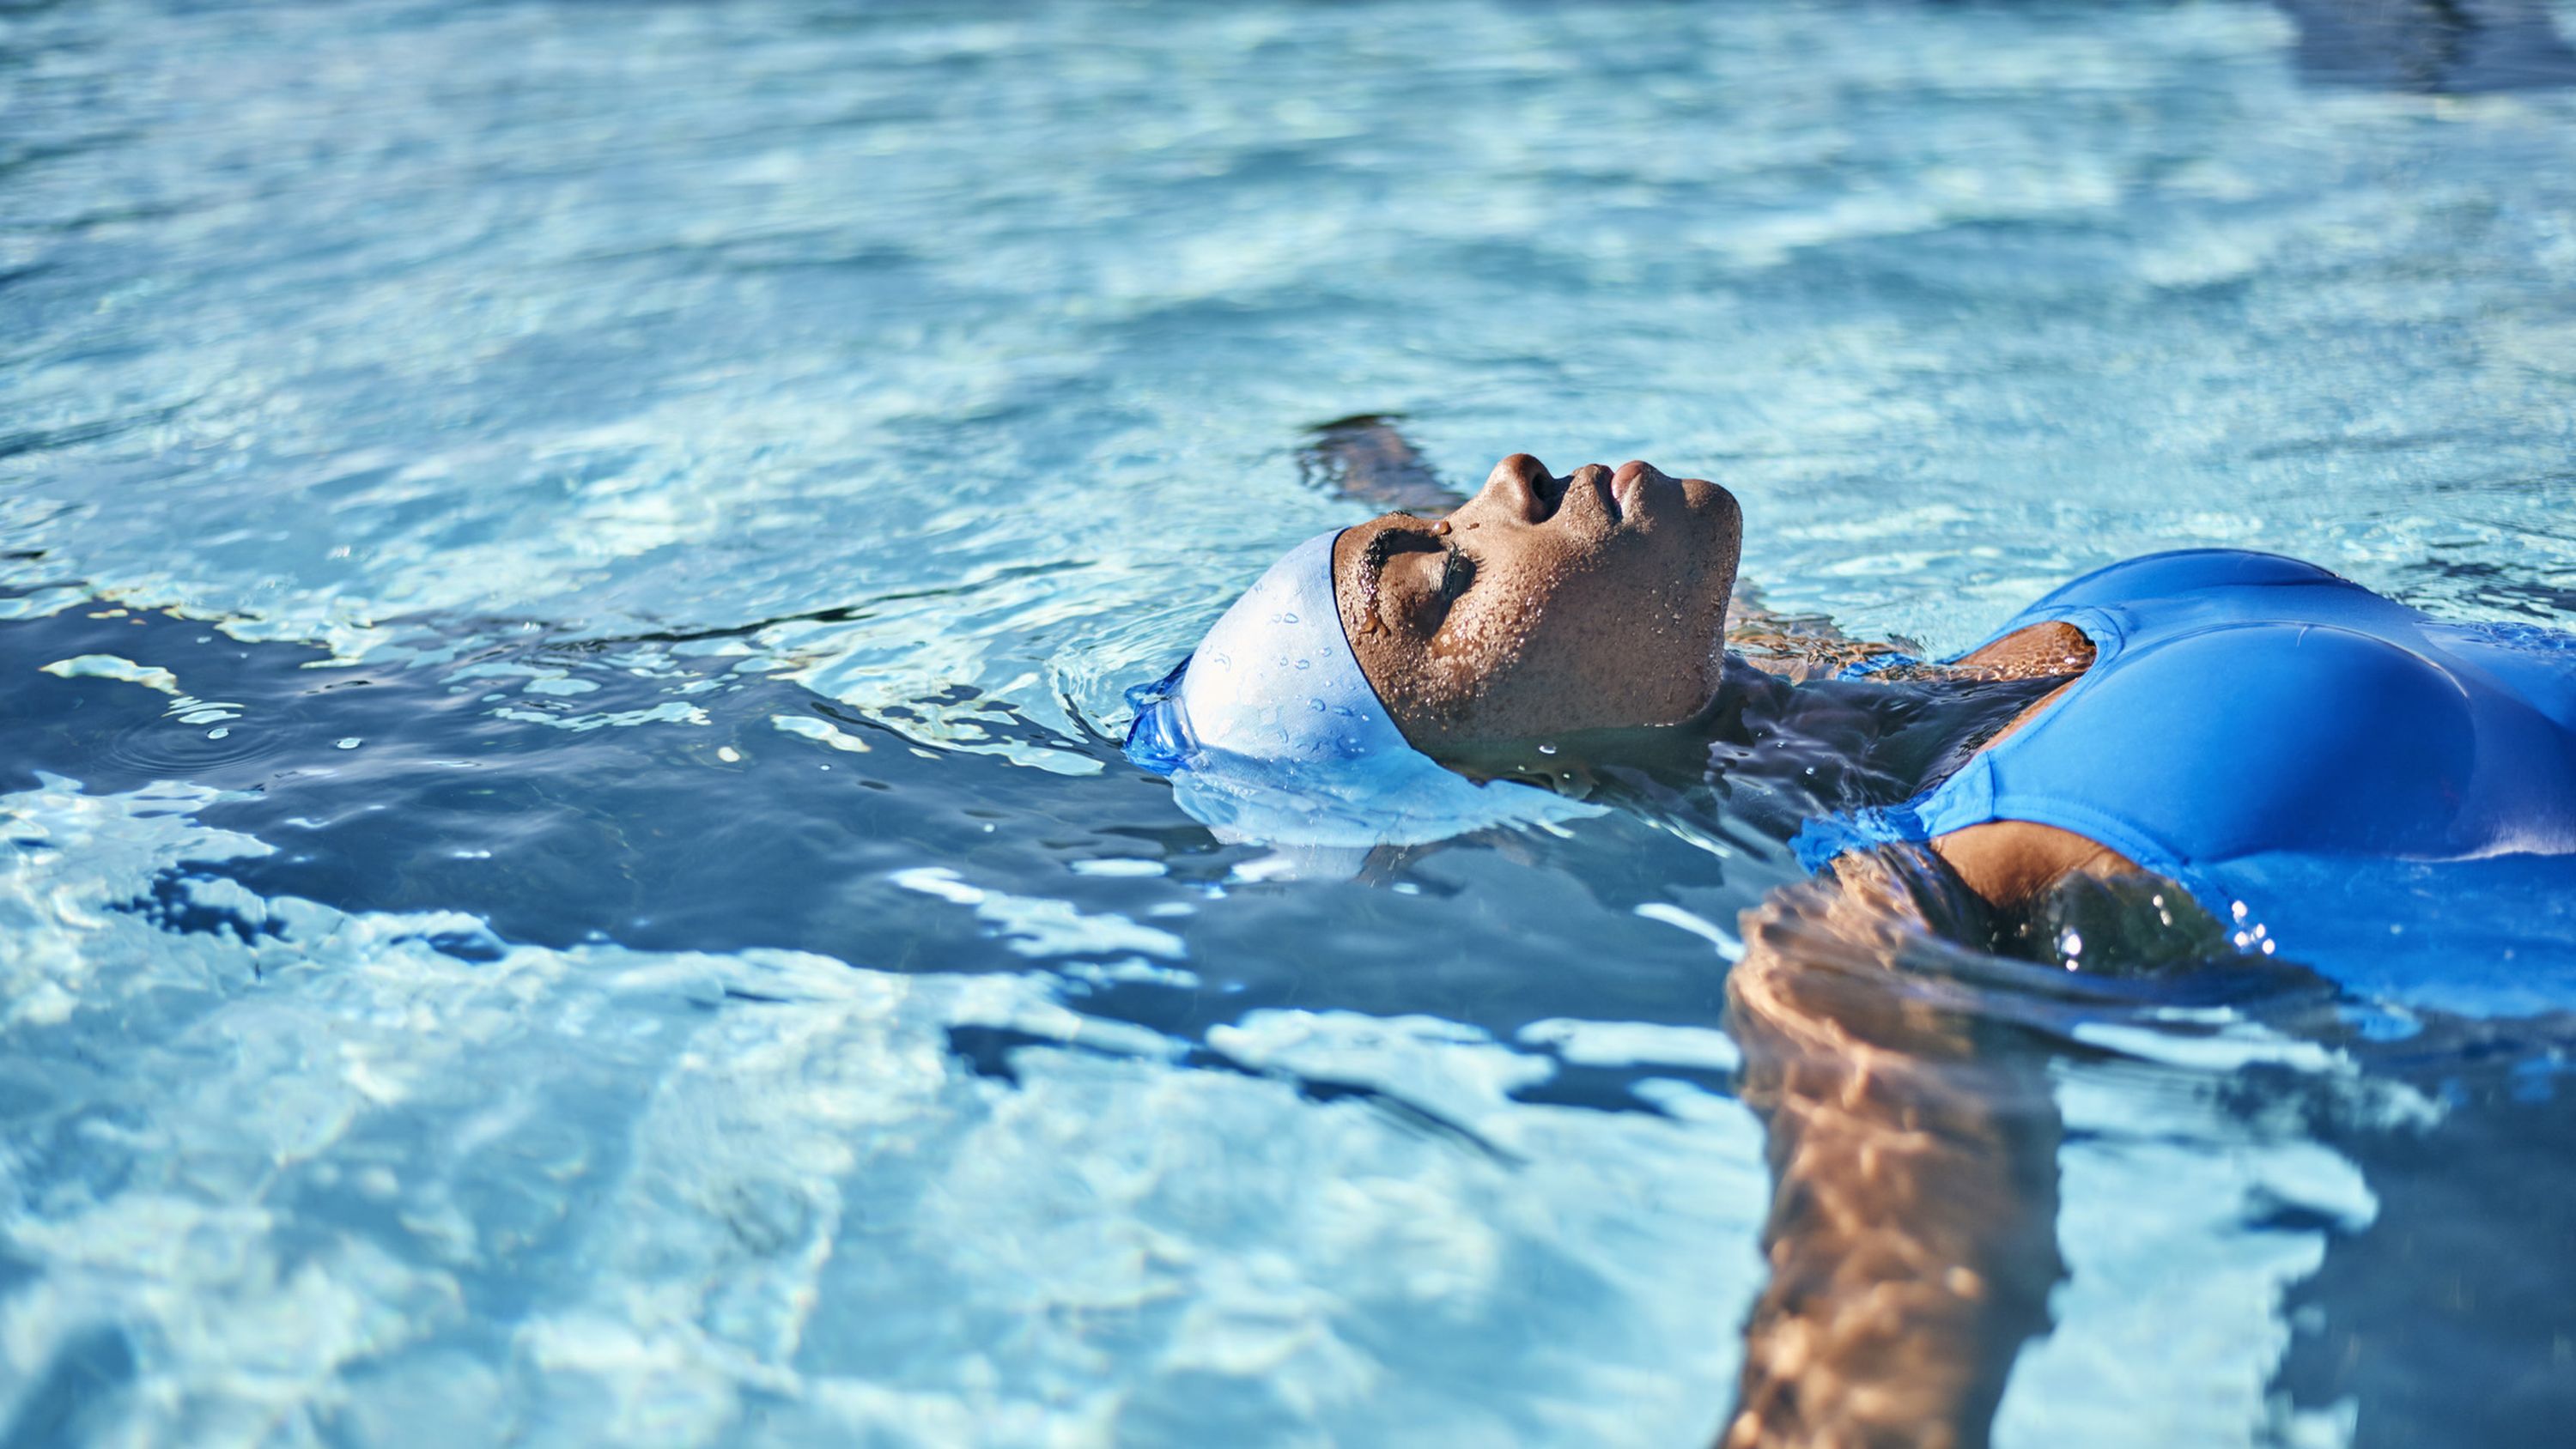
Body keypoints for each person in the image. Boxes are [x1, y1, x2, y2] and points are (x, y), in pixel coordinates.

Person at [1127, 426, 2576, 1447]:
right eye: (1441, 577)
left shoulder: (1864, 700)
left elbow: (1649, 642)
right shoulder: (1861, 937)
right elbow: (1875, 1327)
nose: (1510, 484)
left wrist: (1382, 467)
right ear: (1501, 780)